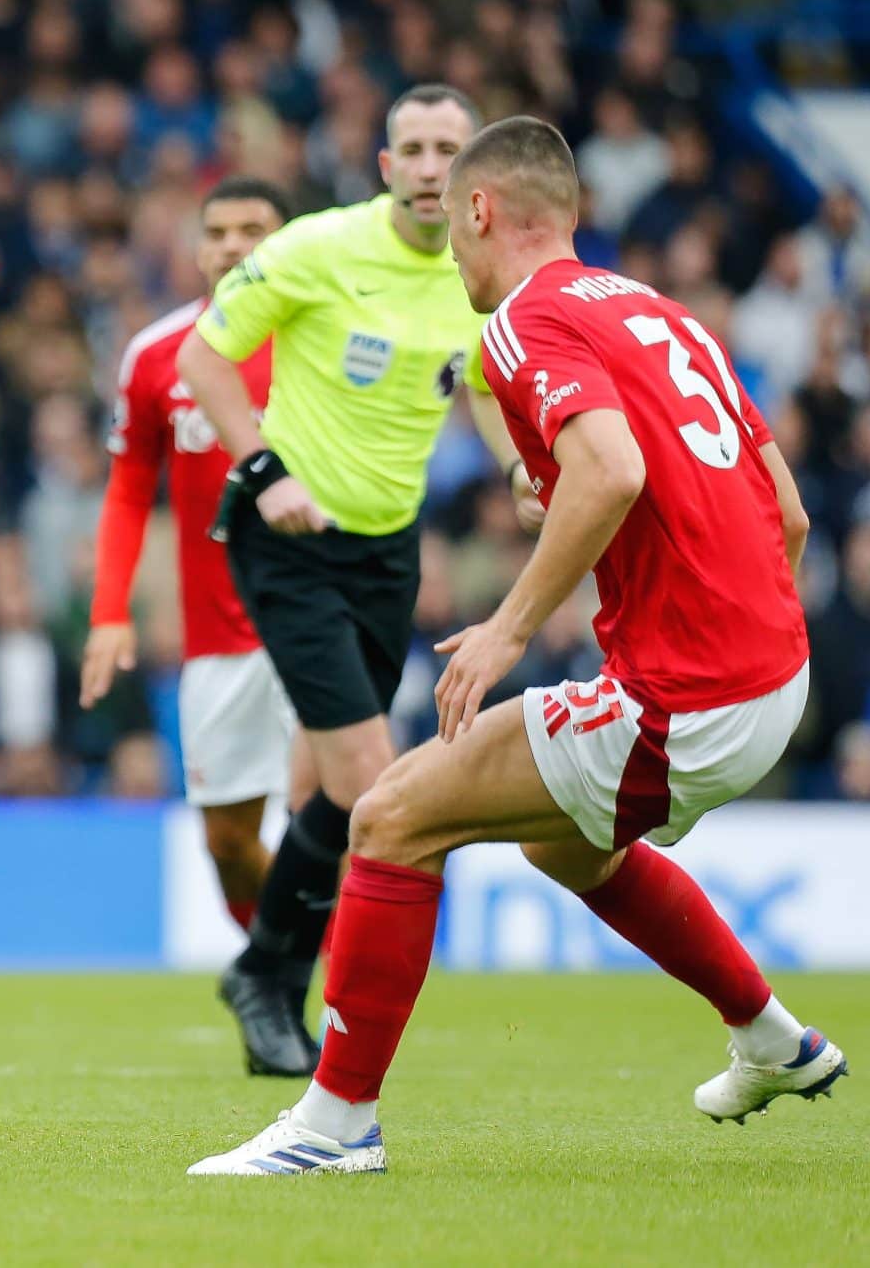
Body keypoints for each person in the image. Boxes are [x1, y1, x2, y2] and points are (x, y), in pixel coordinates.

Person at [188, 116, 839, 1177]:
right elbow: (789, 514)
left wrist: (505, 629)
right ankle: (774, 1040)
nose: (450, 252)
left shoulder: (521, 320)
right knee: (563, 847)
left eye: (455, 224)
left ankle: (332, 1127)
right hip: (773, 668)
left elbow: (611, 471)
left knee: (389, 815)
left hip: (687, 694)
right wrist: (740, 634)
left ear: (481, 210)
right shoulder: (659, 313)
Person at [175, 84, 543, 1076]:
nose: (427, 167)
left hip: (387, 552)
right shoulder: (317, 248)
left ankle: (266, 975)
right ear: (385, 166)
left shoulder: (478, 277)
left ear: (475, 175)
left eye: (446, 149)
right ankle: (269, 976)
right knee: (366, 779)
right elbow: (201, 357)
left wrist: (518, 469)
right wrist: (265, 471)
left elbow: (483, 383)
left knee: (340, 797)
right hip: (287, 545)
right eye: (410, 148)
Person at [78, 176, 310, 1028]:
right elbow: (128, 488)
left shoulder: (325, 339)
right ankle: (275, 975)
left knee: (334, 820)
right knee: (227, 843)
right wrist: (110, 611)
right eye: (217, 230)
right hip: (217, 642)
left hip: (322, 623)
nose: (233, 245)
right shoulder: (157, 353)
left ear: (287, 241)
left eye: (254, 228)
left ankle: (315, 999)